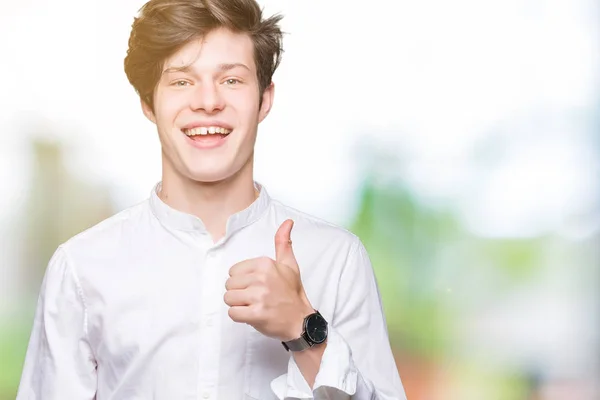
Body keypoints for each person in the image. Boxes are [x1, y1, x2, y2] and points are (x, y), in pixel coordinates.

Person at [16, 0, 406, 399]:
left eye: (232, 80)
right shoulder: (82, 267)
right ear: (149, 103)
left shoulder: (336, 258)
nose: (207, 101)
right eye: (182, 81)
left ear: (264, 99)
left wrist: (303, 329)